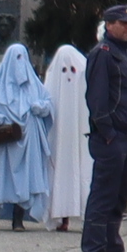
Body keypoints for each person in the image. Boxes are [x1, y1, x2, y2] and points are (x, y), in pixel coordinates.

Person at [81, 3, 127, 252]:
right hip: (112, 138)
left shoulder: (126, 54)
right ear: (109, 25)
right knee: (103, 199)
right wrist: (108, 132)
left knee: (119, 200)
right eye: (123, 23)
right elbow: (97, 99)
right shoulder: (103, 54)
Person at [0, 40, 49, 229]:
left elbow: (48, 104)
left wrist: (40, 107)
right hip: (3, 141)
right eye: (16, 58)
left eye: (22, 58)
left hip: (27, 140)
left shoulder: (34, 85)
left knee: (24, 179)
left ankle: (18, 219)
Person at [41, 39, 91, 232]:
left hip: (81, 136)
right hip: (58, 138)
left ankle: (87, 215)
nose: (68, 75)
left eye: (72, 70)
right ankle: (60, 217)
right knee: (58, 175)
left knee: (83, 173)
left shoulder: (85, 81)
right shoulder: (53, 84)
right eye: (64, 71)